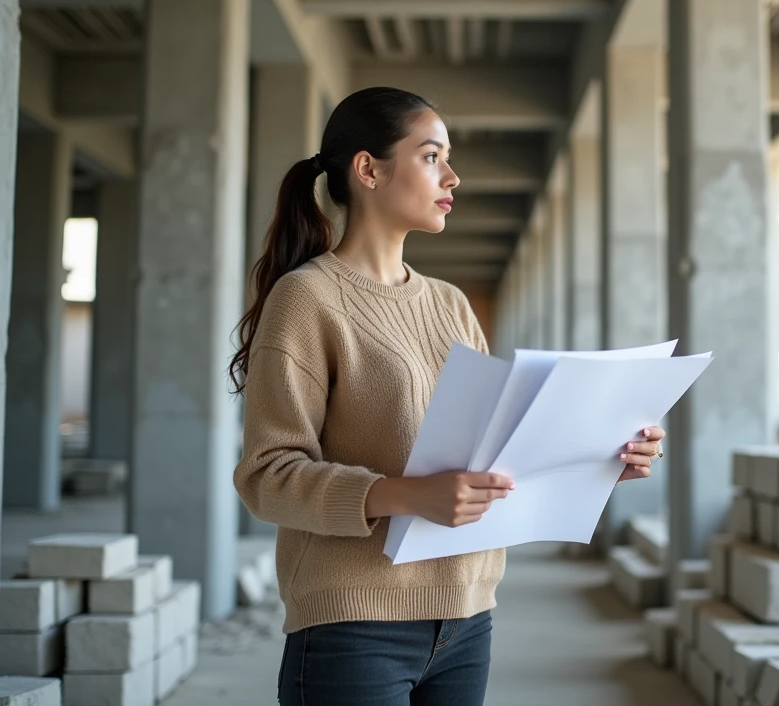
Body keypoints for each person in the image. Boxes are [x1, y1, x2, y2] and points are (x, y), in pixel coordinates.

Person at [228, 87, 665, 706]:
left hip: (467, 619)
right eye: (432, 156)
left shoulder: (451, 305)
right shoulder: (307, 299)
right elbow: (266, 476)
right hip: (354, 627)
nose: (452, 176)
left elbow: (494, 457)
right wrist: (406, 496)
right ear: (368, 169)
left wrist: (598, 462)